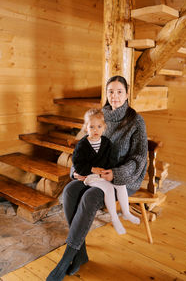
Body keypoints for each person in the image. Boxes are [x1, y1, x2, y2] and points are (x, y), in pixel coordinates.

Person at [46, 75, 148, 281]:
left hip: (123, 179)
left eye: (120, 91)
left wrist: (117, 174)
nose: (115, 96)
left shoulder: (136, 120)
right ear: (106, 93)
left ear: (127, 94)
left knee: (90, 196)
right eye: (111, 91)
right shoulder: (100, 116)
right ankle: (80, 253)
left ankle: (66, 258)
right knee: (69, 190)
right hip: (96, 174)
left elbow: (139, 158)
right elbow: (83, 146)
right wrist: (75, 170)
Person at [72, 108, 140, 236]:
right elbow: (78, 163)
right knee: (108, 189)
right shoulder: (82, 145)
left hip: (104, 173)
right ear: (86, 128)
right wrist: (92, 169)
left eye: (99, 126)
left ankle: (126, 212)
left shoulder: (107, 143)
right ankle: (114, 219)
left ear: (104, 128)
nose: (95, 130)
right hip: (90, 176)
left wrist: (110, 171)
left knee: (120, 184)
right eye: (91, 127)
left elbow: (112, 160)